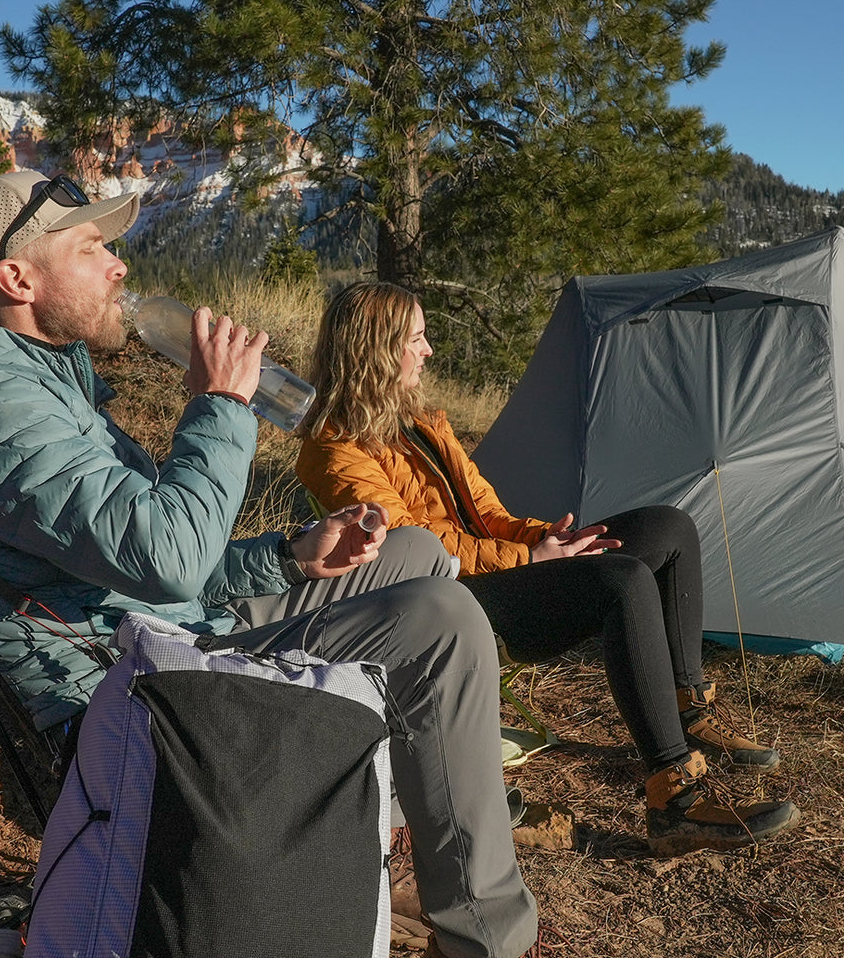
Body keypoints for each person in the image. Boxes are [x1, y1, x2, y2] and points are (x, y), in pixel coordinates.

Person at [0, 172, 538, 958]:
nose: (119, 265)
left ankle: (362, 833)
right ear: (18, 278)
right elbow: (167, 559)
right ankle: (485, 940)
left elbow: (146, 566)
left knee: (416, 553)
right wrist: (222, 407)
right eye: (93, 246)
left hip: (159, 636)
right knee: (440, 622)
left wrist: (290, 556)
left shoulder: (42, 383)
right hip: (131, 696)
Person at [296, 280, 801, 857]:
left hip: (502, 570)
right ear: (379, 351)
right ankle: (675, 799)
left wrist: (547, 538)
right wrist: (532, 559)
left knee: (669, 527)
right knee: (623, 582)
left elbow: (486, 513)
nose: (429, 350)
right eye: (417, 338)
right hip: (451, 605)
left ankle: (687, 711)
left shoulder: (420, 424)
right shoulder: (335, 447)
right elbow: (420, 546)